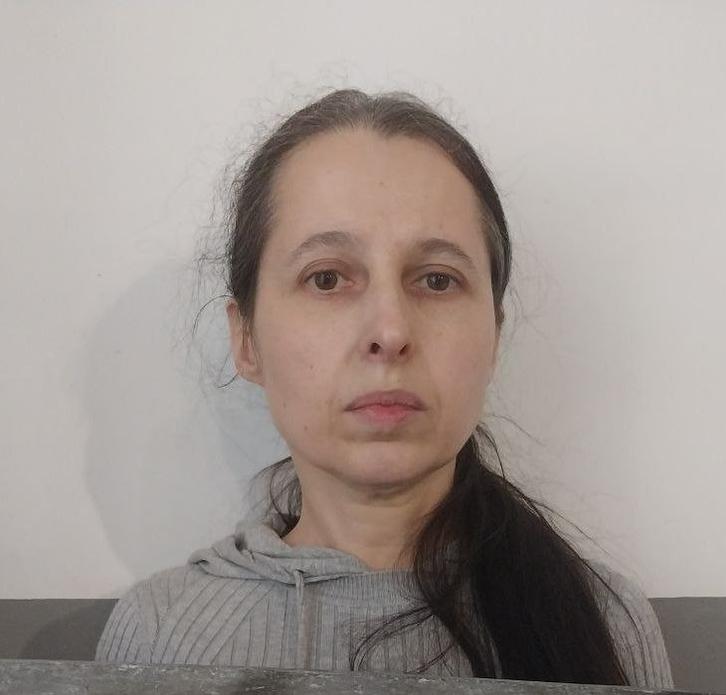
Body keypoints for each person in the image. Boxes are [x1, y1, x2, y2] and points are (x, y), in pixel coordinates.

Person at [95, 88, 673, 687]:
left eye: (437, 280)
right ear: (247, 339)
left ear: (494, 336)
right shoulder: (160, 633)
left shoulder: (604, 622)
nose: (391, 332)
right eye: (326, 278)